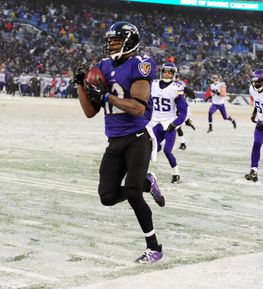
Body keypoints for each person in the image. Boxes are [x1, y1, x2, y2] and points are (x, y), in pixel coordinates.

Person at [74, 21, 165, 263]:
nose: (110, 44)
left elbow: (137, 107)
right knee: (107, 196)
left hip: (137, 138)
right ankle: (147, 182)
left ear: (129, 41)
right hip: (114, 141)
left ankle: (154, 248)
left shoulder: (141, 64)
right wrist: (80, 86)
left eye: (115, 40)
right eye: (110, 40)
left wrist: (106, 96)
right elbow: (90, 112)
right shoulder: (103, 65)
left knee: (133, 194)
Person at [151, 62, 188, 183]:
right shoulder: (153, 84)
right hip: (155, 121)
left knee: (167, 151)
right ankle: (141, 171)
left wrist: (176, 123)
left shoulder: (176, 87)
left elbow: (183, 110)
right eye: (165, 72)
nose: (167, 75)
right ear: (161, 72)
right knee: (149, 148)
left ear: (174, 74)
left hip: (169, 122)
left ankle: (176, 173)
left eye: (170, 73)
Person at [176, 75, 196, 150]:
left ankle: (183, 143)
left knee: (177, 127)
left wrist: (190, 93)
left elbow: (191, 94)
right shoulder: (176, 85)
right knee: (177, 127)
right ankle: (187, 122)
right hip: (179, 108)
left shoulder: (179, 85)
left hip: (181, 108)